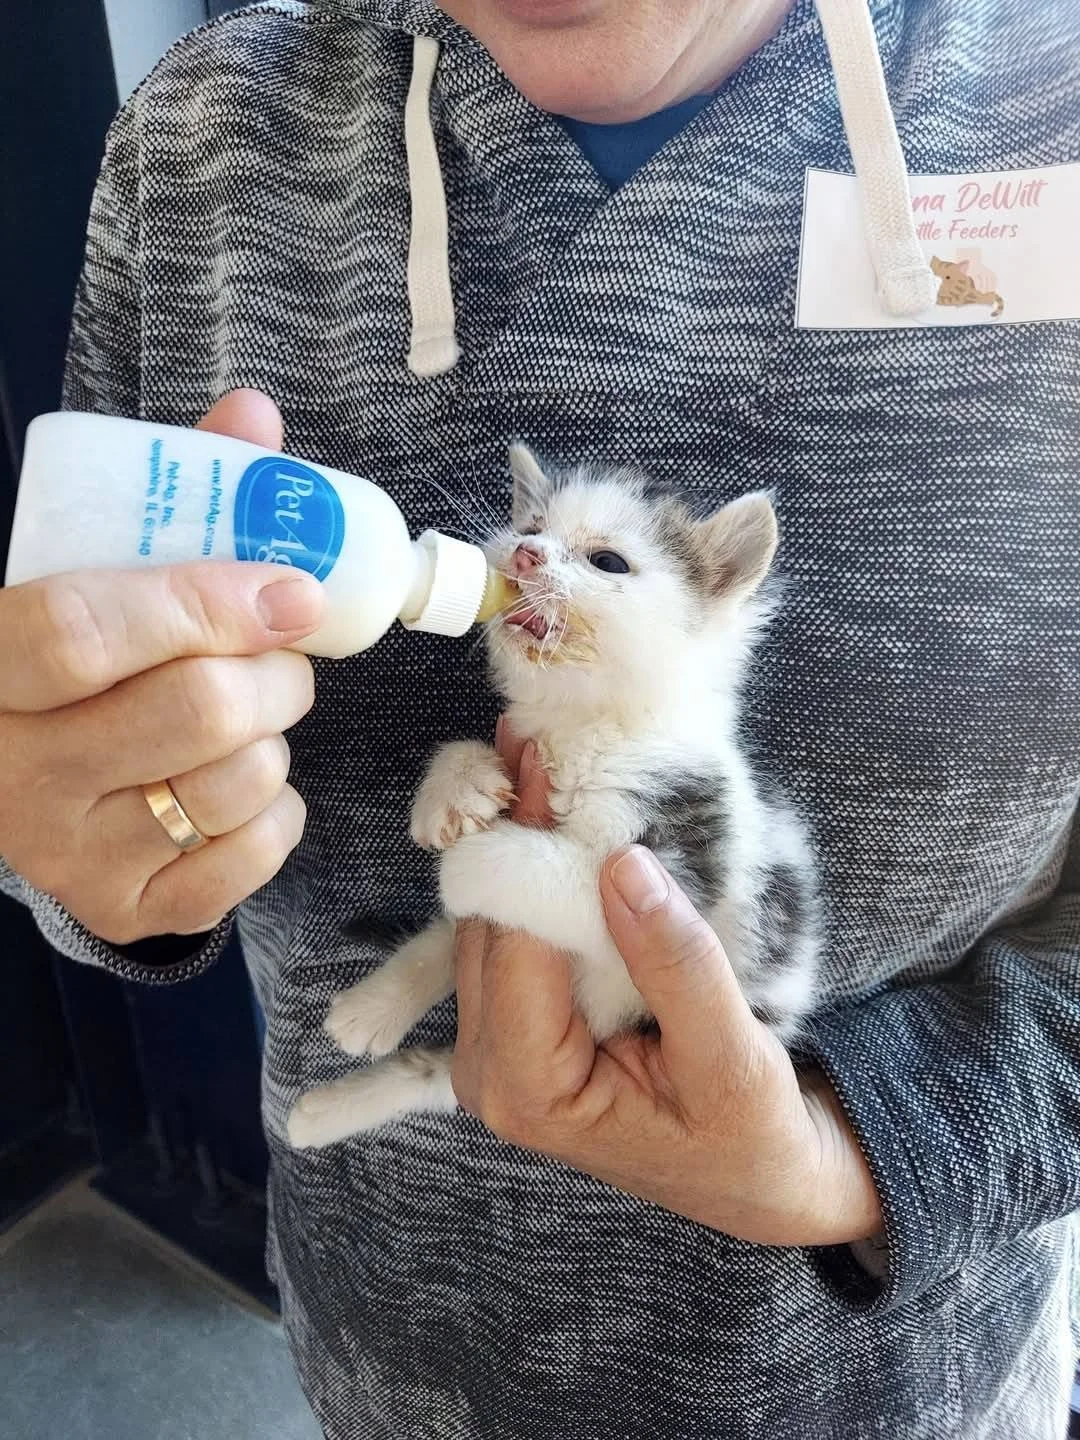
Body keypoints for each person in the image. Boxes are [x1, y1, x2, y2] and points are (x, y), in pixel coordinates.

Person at [2, 0, 1078, 1434]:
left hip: (908, 1393)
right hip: (399, 1364)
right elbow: (77, 778)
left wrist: (851, 1157)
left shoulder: (1049, 93)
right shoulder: (207, 140)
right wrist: (85, 850)